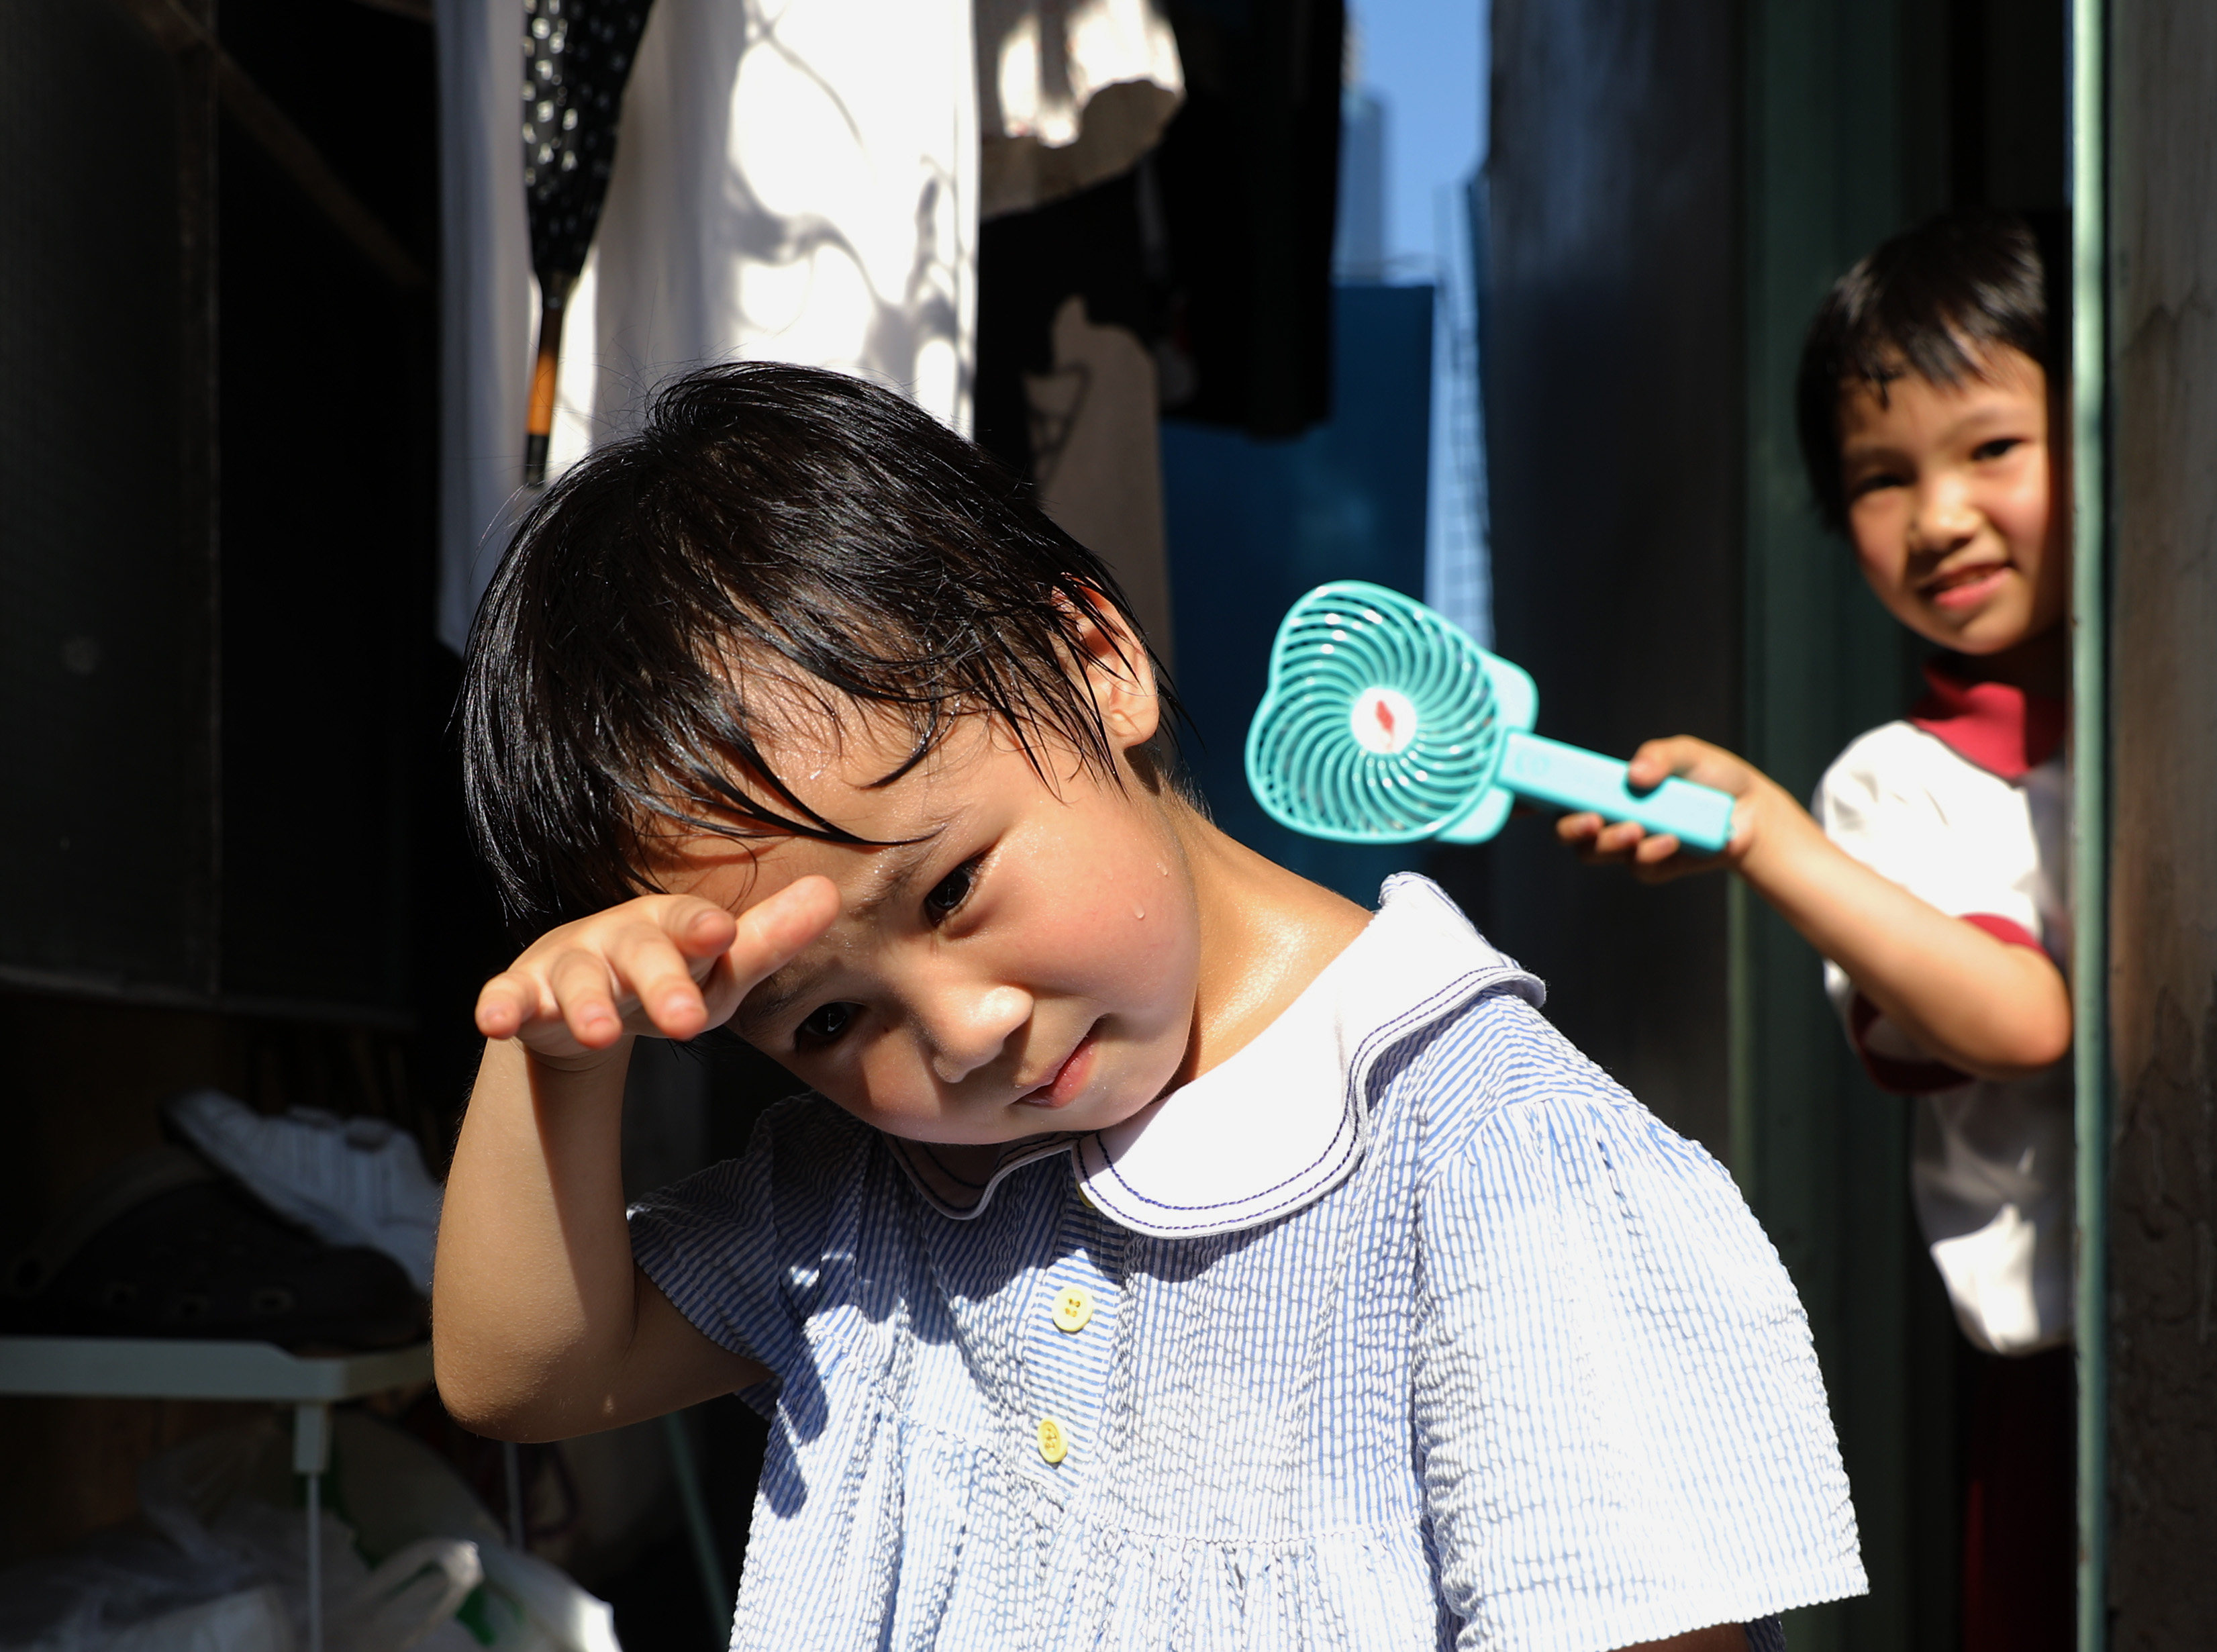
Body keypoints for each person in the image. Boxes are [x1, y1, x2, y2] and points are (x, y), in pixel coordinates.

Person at [432, 362, 1867, 1651]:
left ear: (1094, 660)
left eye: (949, 892)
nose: (959, 1030)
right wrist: (556, 1064)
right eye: (821, 1024)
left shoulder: (1486, 1167)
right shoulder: (875, 1206)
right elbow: (525, 1373)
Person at [1558, 209, 2075, 1649]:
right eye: (1879, 477)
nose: (1940, 516)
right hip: (2060, 1389)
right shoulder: (1889, 789)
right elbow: (2024, 1018)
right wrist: (1769, 838)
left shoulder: (2183, 673)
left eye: (1991, 448)